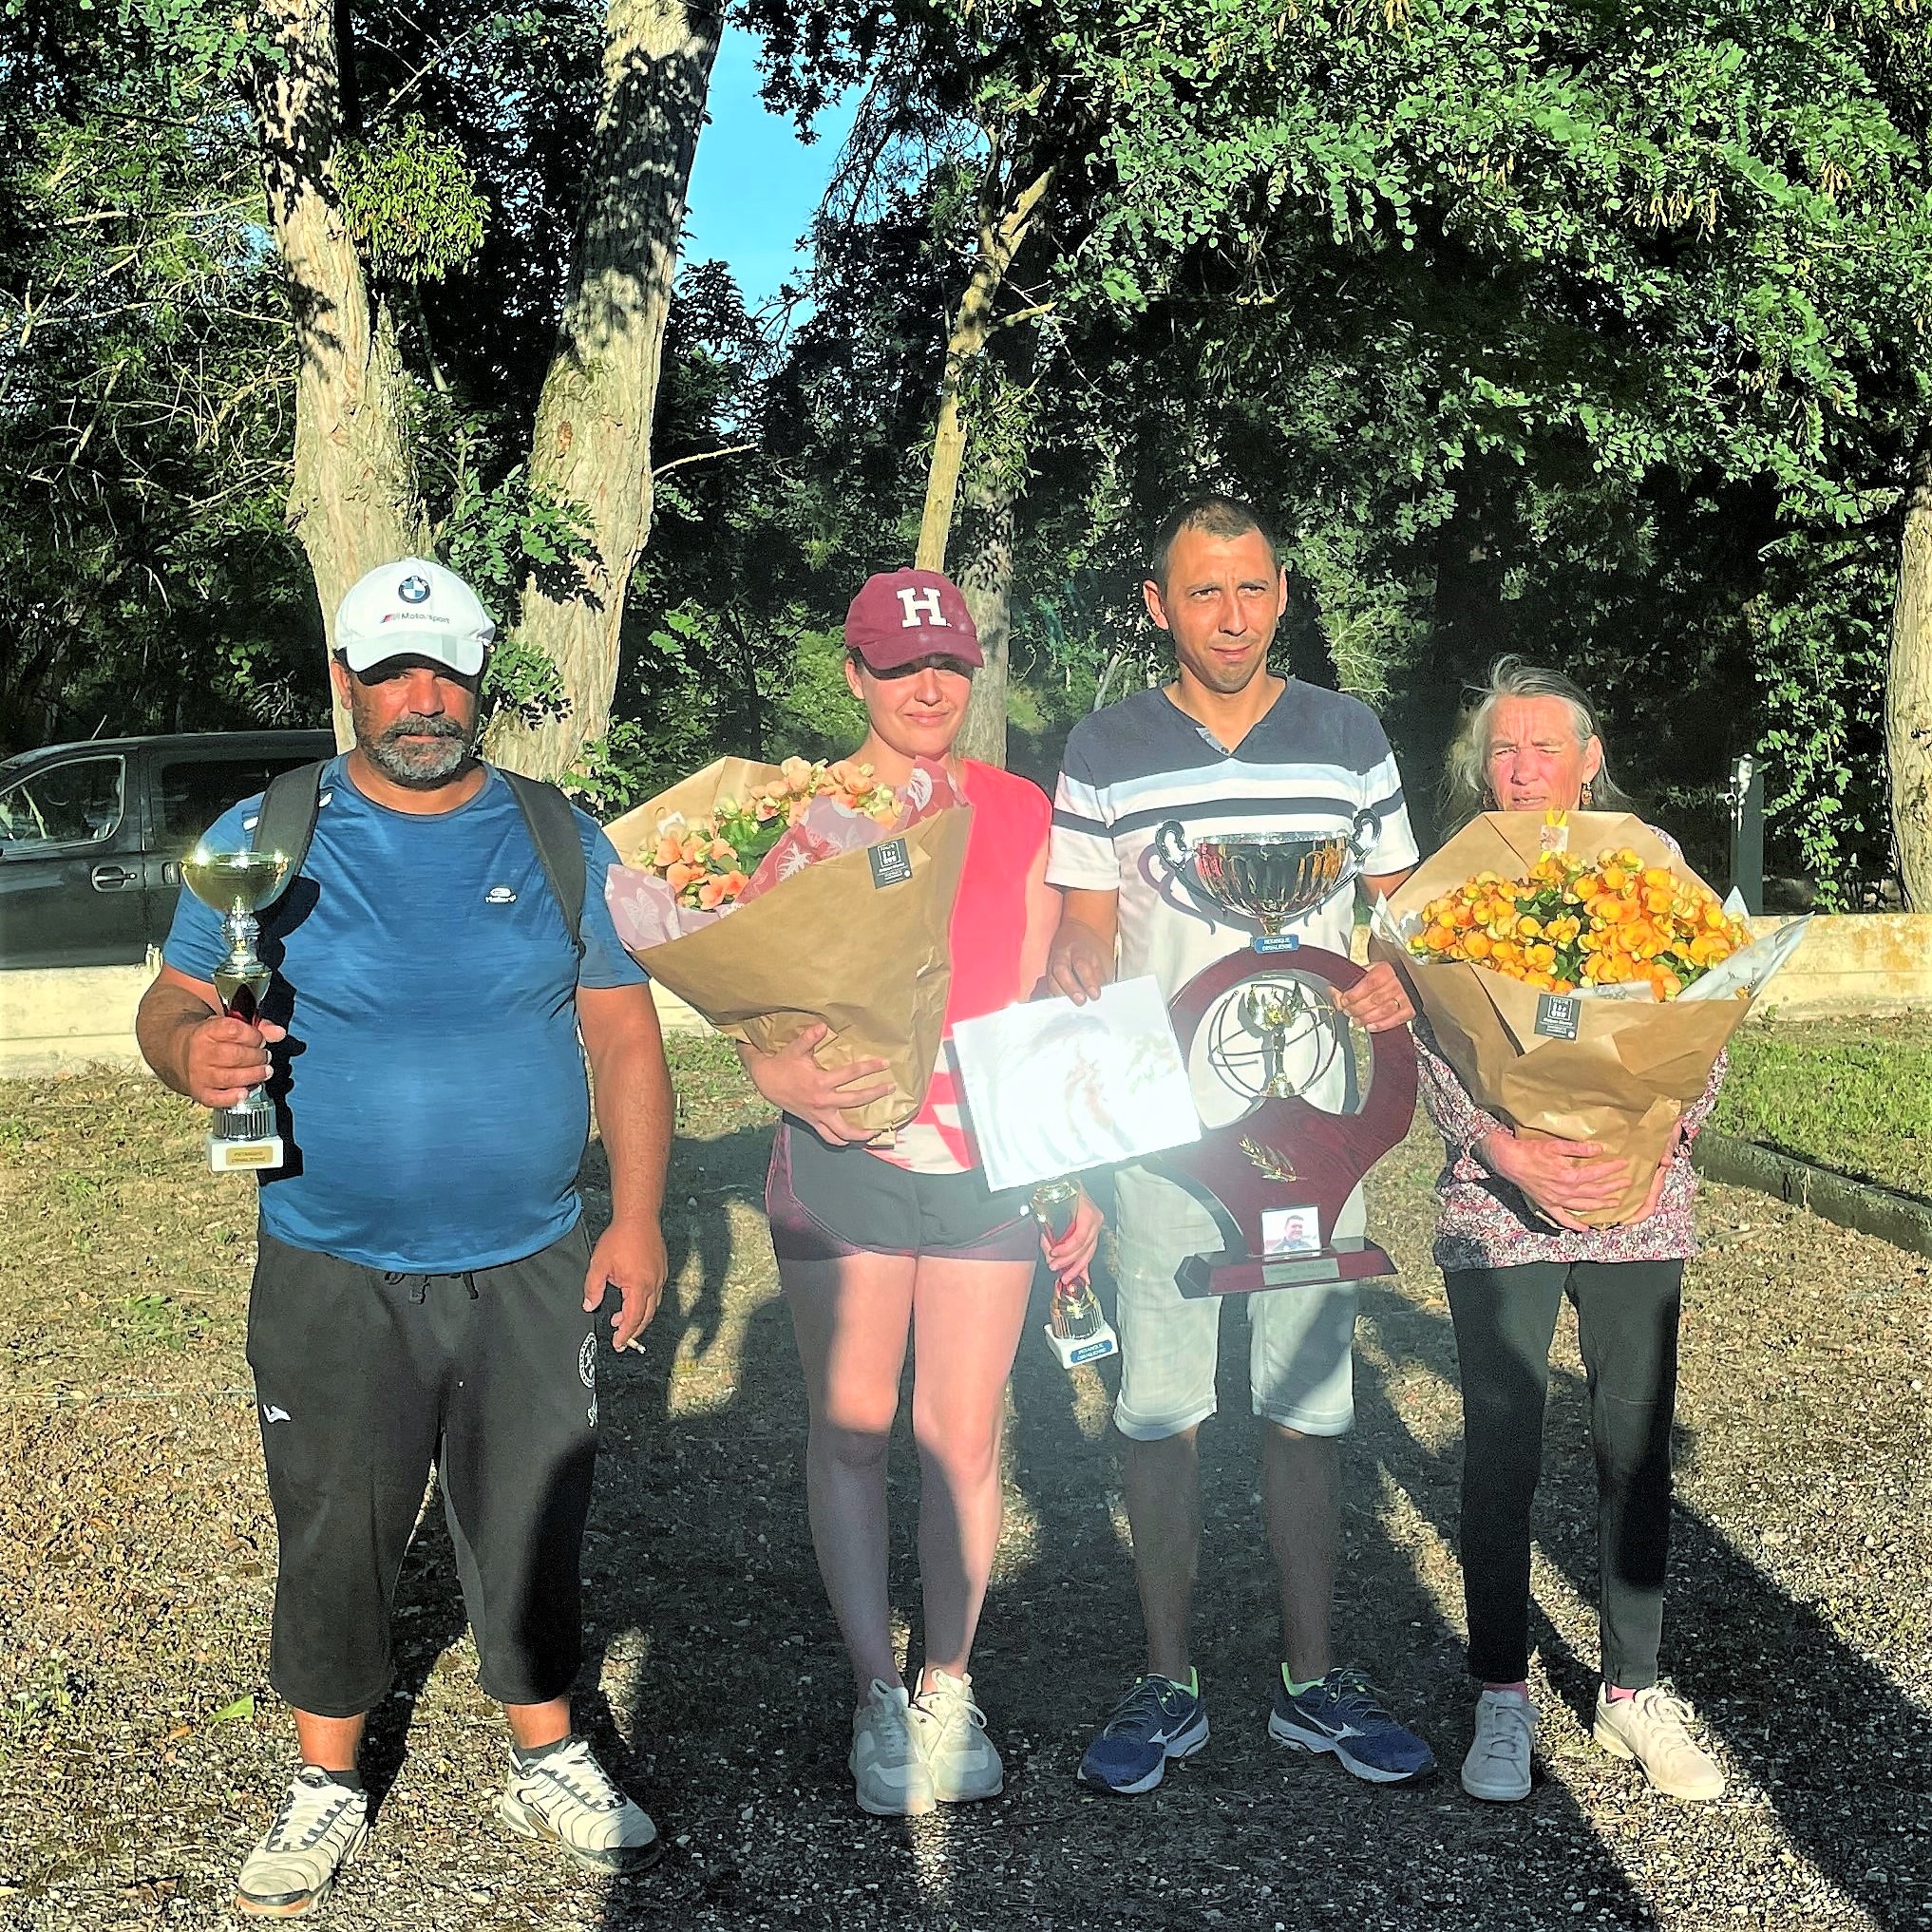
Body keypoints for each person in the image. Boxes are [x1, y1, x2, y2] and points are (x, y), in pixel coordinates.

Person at [136, 559, 673, 1917]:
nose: (420, 701)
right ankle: (325, 1776)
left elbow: (621, 1030)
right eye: (391, 674)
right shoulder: (272, 830)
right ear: (346, 682)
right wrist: (188, 1046)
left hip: (532, 1253)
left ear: (481, 675)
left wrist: (642, 1218)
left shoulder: (561, 835)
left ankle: (545, 1747)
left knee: (532, 1511)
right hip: (328, 1251)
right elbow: (174, 998)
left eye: (443, 671)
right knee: (332, 1518)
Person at [1045, 495, 1434, 1795]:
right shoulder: (1102, 744)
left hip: (1314, 1116)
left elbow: (1401, 912)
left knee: (1306, 1406)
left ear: (1281, 594)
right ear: (1157, 604)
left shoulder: (1346, 731)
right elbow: (1086, 921)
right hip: (1162, 1128)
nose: (1230, 614)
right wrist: (1075, 979)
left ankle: (1309, 1679)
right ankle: (1168, 1682)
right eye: (1201, 591)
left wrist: (1390, 982)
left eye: (1251, 588)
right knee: (1157, 1409)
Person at [737, 568, 1102, 1818]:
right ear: (856, 676)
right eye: (899, 666)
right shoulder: (799, 813)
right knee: (848, 1426)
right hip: (842, 1156)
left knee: (958, 1431)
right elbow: (750, 998)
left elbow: (1049, 989)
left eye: (946, 662)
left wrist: (1064, 1165)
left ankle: (947, 1678)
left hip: (984, 1164)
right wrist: (780, 1068)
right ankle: (869, 1694)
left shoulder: (1021, 808)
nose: (927, 686)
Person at [1418, 658, 1727, 1806]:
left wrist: (1657, 1142)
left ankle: (1632, 1690)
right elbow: (1432, 1038)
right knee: (1500, 1449)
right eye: (1504, 749)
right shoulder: (1451, 889)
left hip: (1638, 1198)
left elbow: (1710, 1015)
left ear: (1589, 759)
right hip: (1497, 1207)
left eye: (1545, 746)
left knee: (1633, 1442)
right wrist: (1502, 1149)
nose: (1523, 766)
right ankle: (1501, 1691)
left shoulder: (1651, 865)